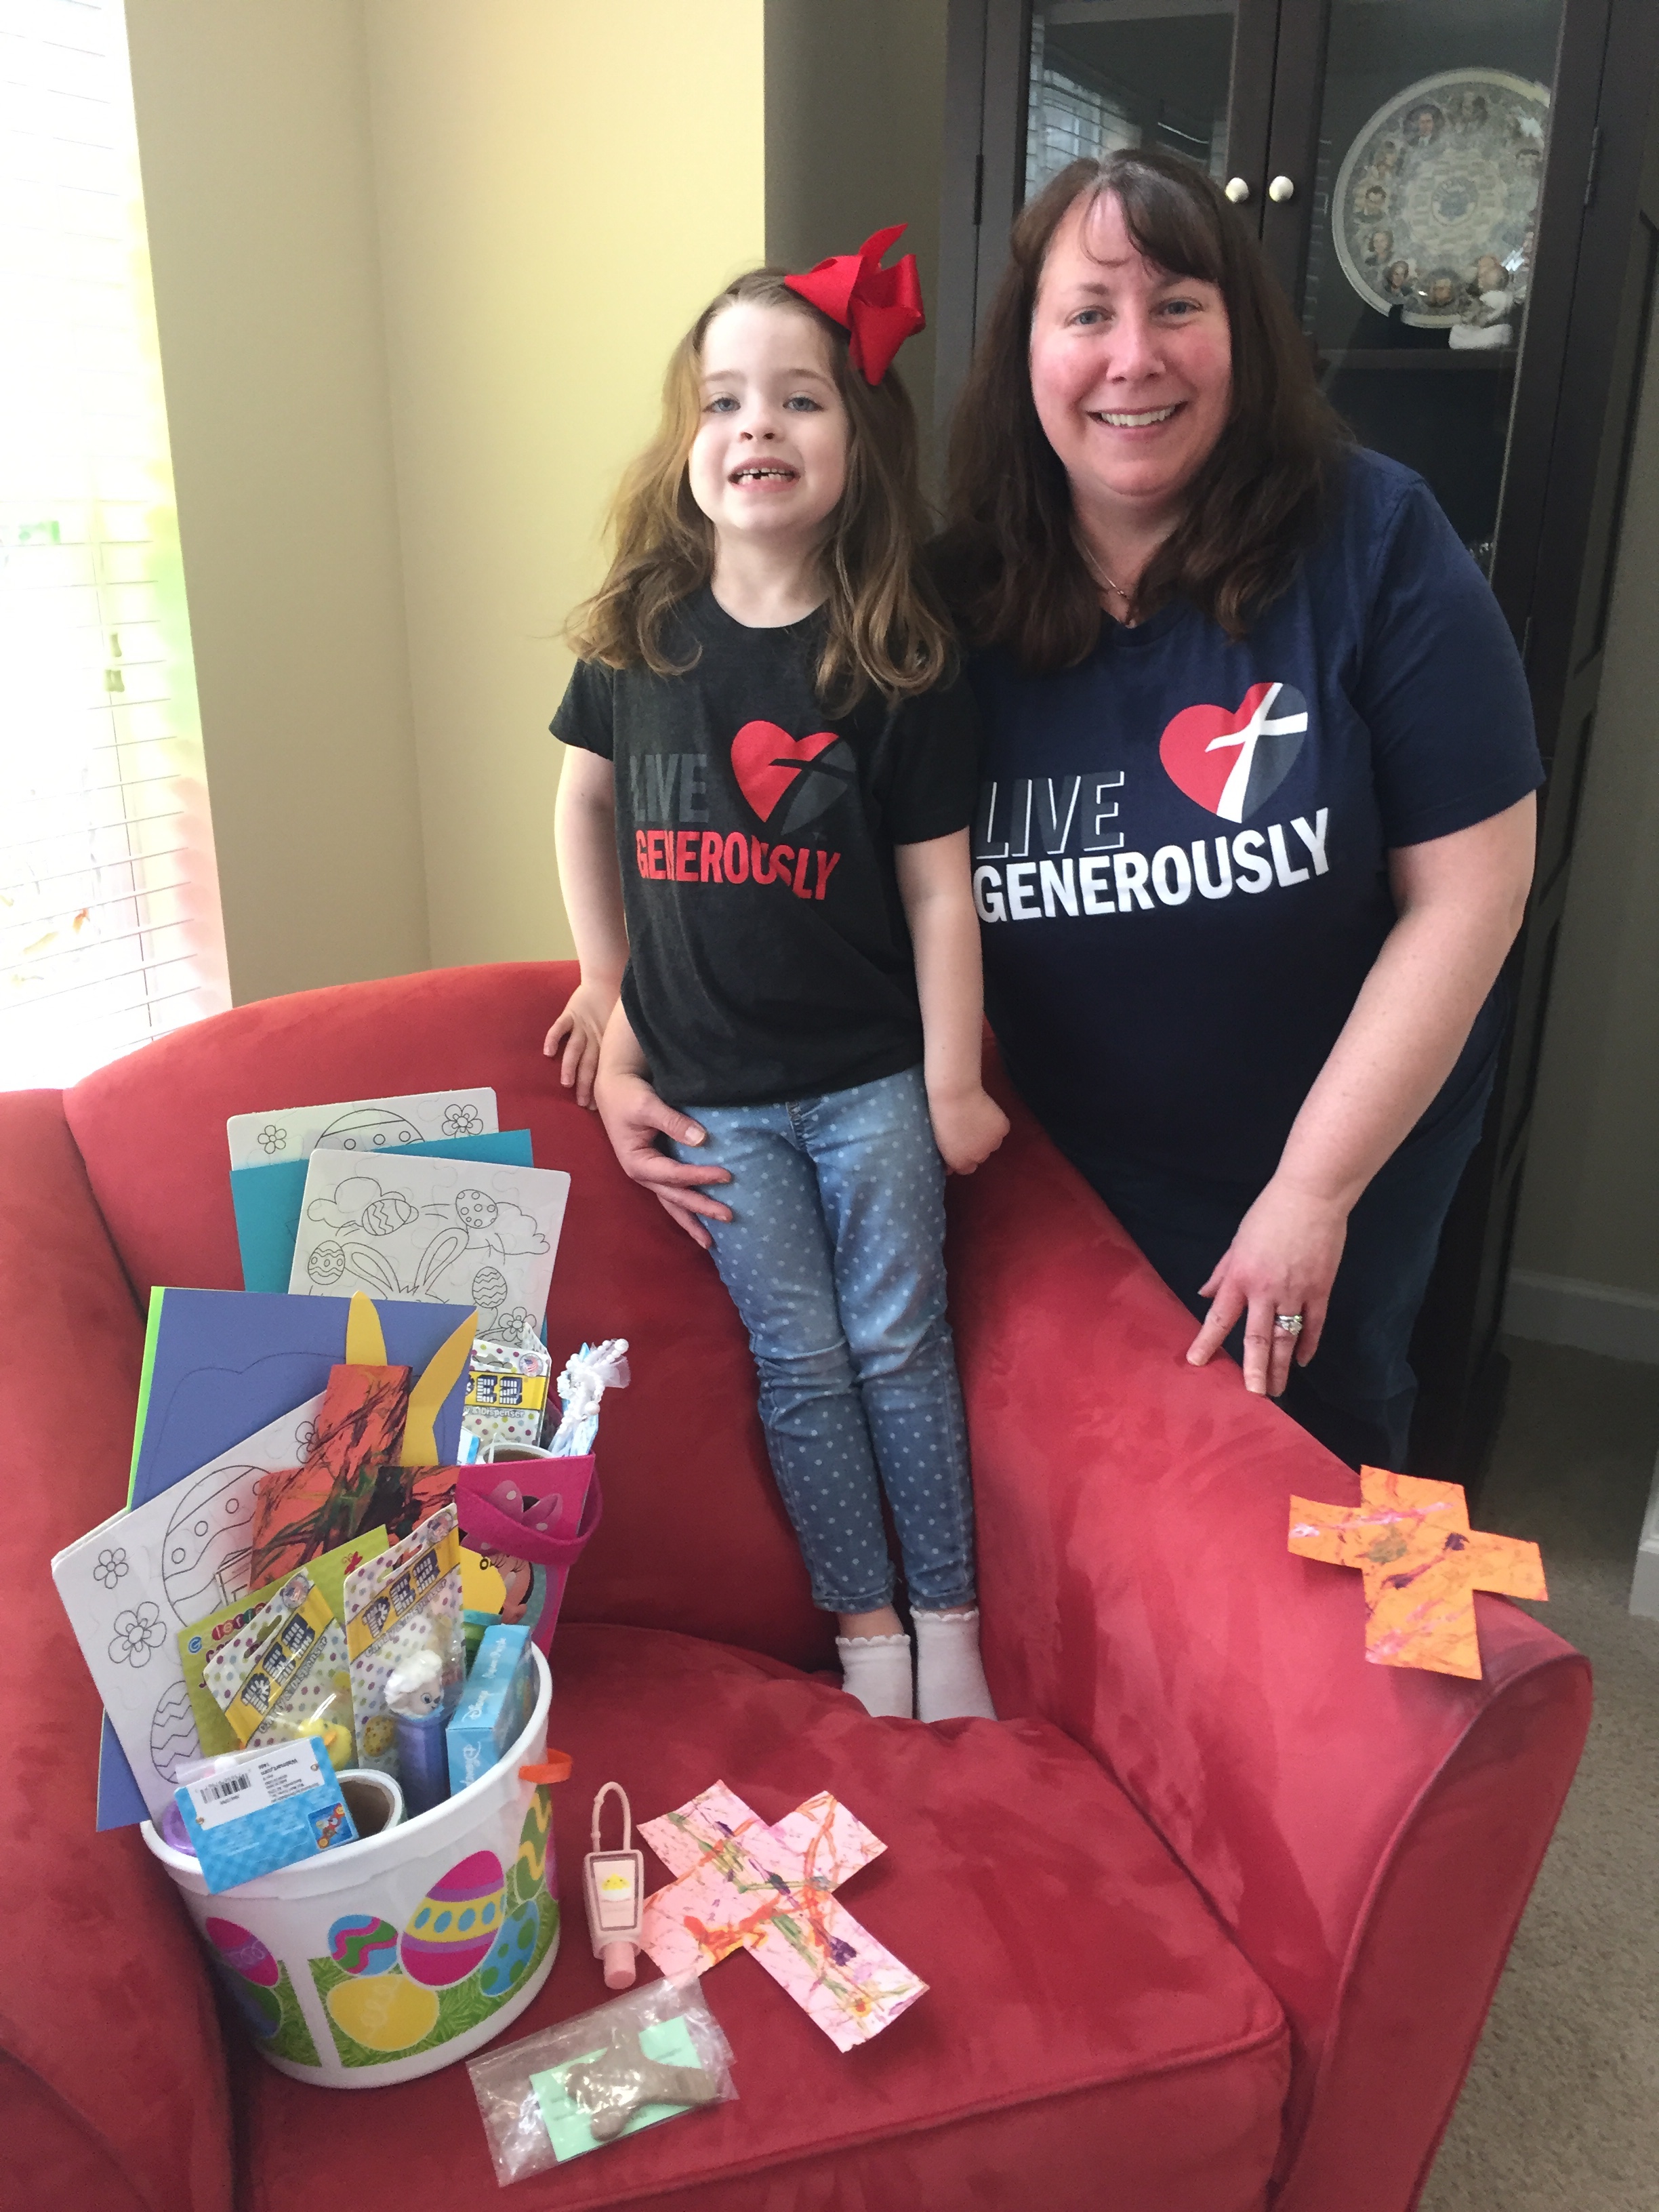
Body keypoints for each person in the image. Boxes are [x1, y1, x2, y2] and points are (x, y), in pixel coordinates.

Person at [935, 148, 1539, 1471]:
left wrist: (1312, 1193)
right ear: (1028, 350)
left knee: (1327, 1452)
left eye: (1178, 305)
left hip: (1349, 1150)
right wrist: (634, 1004)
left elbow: (1473, 895)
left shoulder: (1378, 539)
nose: (1133, 356)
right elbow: (797, 838)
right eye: (1088, 312)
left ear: (1241, 334)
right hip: (1076, 1160)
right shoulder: (951, 601)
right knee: (1104, 1473)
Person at [542, 237, 1008, 1721]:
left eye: (800, 398)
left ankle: (950, 1629)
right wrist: (607, 986)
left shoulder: (900, 655)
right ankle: (868, 1640)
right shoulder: (640, 634)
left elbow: (939, 888)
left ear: (855, 442)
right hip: (718, 1107)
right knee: (802, 1366)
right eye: (725, 400)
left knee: (902, 1351)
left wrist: (952, 1082)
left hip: (874, 1087)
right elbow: (582, 806)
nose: (759, 426)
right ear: (688, 441)